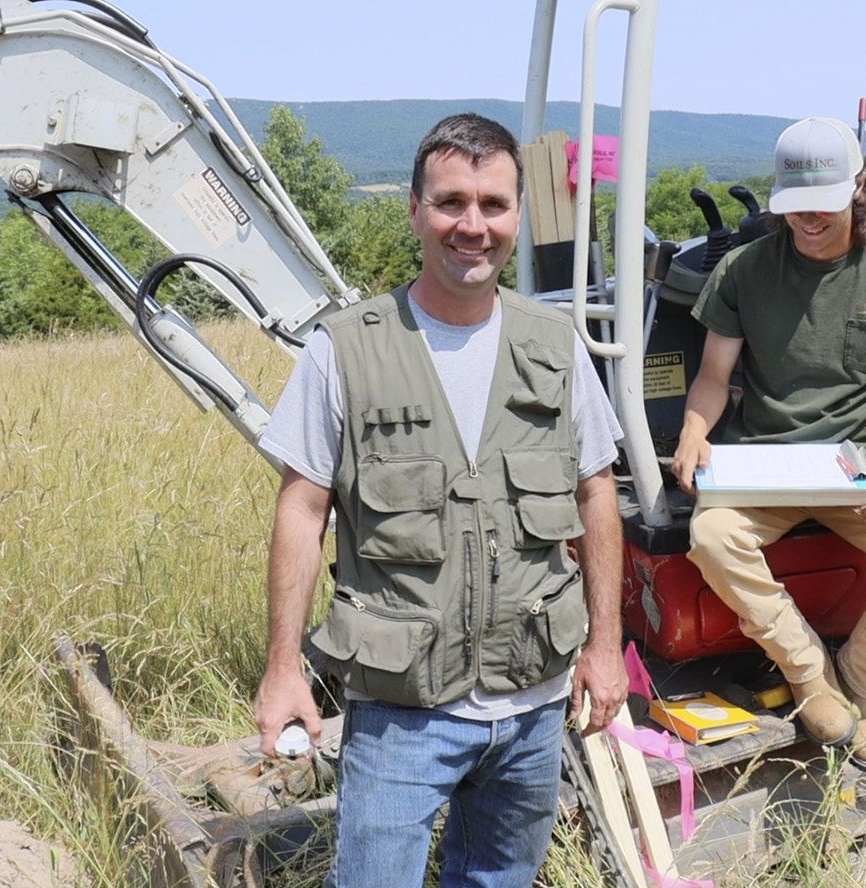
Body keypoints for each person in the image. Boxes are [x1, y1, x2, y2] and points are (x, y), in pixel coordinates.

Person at [253, 112, 627, 888]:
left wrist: (603, 646)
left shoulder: (555, 344)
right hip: (402, 712)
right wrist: (282, 666)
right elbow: (301, 508)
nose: (473, 225)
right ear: (416, 210)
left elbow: (597, 493)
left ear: (518, 215)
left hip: (533, 704)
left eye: (493, 205)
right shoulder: (347, 348)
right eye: (451, 201)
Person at [671, 116, 866, 771]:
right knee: (711, 539)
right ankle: (809, 676)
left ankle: (861, 680)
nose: (807, 219)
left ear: (858, 188)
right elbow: (713, 379)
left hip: (855, 464)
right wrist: (695, 431)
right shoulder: (744, 271)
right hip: (763, 460)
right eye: (794, 206)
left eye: (823, 205)